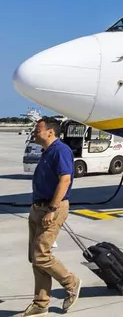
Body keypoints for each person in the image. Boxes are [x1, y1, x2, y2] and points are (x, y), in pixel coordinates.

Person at [22, 118, 81, 316]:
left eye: (38, 129)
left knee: (41, 255)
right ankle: (41, 303)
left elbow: (65, 179)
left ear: (50, 132)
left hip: (51, 208)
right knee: (36, 258)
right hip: (38, 208)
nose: (34, 132)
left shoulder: (60, 150)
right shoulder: (47, 151)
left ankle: (71, 282)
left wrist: (52, 209)